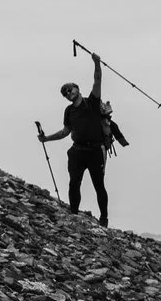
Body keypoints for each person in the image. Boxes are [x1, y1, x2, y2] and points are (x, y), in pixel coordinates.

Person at [38, 54, 126, 227]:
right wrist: (46, 139)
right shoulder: (69, 111)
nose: (68, 93)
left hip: (95, 151)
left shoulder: (92, 102)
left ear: (77, 89)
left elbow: (97, 81)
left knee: (98, 185)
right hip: (77, 151)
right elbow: (65, 131)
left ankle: (104, 219)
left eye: (70, 90)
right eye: (65, 93)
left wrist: (97, 63)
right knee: (74, 183)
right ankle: (74, 214)